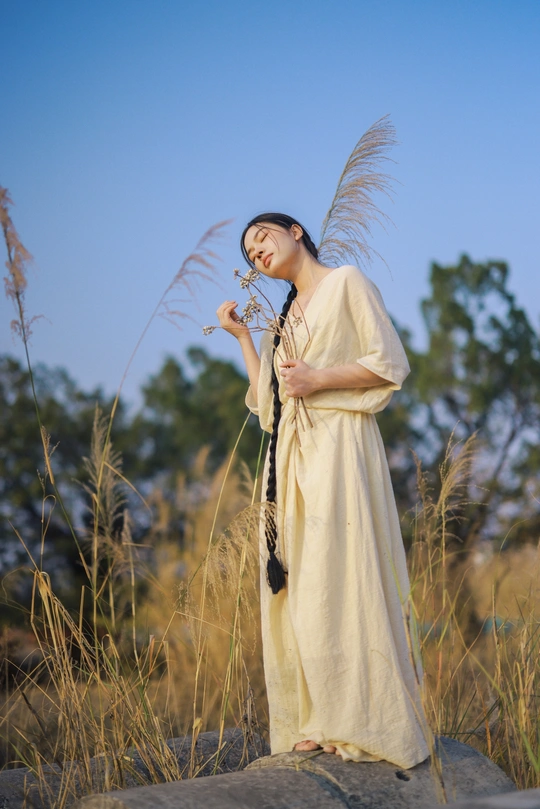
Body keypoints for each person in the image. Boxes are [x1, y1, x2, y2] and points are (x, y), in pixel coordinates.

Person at [216, 212, 429, 768]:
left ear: (295, 232)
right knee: (305, 589)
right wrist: (244, 339)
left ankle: (360, 718)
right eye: (250, 254)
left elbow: (389, 363)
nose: (257, 253)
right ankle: (316, 717)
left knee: (343, 578)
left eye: (262, 238)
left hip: (339, 448)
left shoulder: (346, 282)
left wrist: (317, 378)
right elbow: (269, 409)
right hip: (291, 460)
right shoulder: (281, 317)